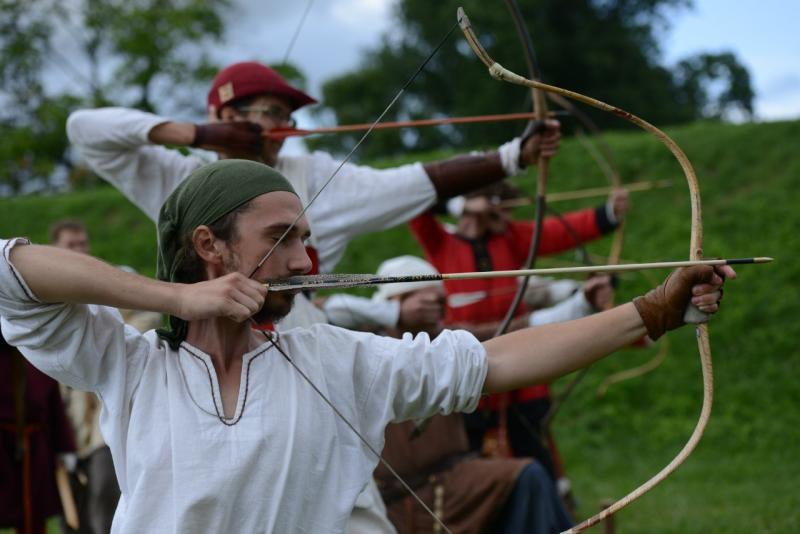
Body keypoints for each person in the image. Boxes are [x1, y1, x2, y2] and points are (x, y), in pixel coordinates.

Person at [0, 160, 731, 533]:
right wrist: (177, 299)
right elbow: (10, 267)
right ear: (209, 246)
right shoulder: (129, 363)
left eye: (308, 241)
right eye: (281, 239)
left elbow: (499, 359)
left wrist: (651, 312)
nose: (302, 261)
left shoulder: (337, 359)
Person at [65, 60, 562, 332]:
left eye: (285, 116)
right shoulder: (177, 177)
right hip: (203, 356)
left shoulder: (318, 175)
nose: (279, 126)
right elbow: (84, 129)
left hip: (301, 352)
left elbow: (414, 181)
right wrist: (194, 135)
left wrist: (513, 156)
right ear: (225, 117)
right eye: (266, 111)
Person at [410, 180, 625, 484]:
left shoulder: (510, 238)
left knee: (533, 441)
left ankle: (552, 508)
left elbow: (554, 232)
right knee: (473, 455)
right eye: (493, 202)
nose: (503, 213)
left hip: (522, 358)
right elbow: (415, 203)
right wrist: (462, 204)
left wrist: (607, 214)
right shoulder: (441, 241)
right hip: (469, 362)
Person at [368, 255, 574, 534]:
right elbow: (321, 309)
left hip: (456, 479)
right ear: (395, 301)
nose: (435, 311)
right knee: (527, 476)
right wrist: (393, 314)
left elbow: (510, 334)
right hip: (413, 496)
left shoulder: (442, 340)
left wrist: (581, 304)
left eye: (439, 303)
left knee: (524, 480)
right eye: (425, 302)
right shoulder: (367, 345)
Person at [49, 219, 122, 534]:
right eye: (70, 245)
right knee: (71, 514)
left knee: (104, 503)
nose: (79, 250)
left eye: (82, 243)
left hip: (103, 424)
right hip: (61, 422)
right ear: (54, 250)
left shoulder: (114, 281)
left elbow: (142, 327)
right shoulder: (44, 298)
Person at [1, 330, 76, 534]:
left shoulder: (36, 355)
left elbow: (54, 406)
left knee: (32, 511)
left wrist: (65, 447)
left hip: (34, 445)